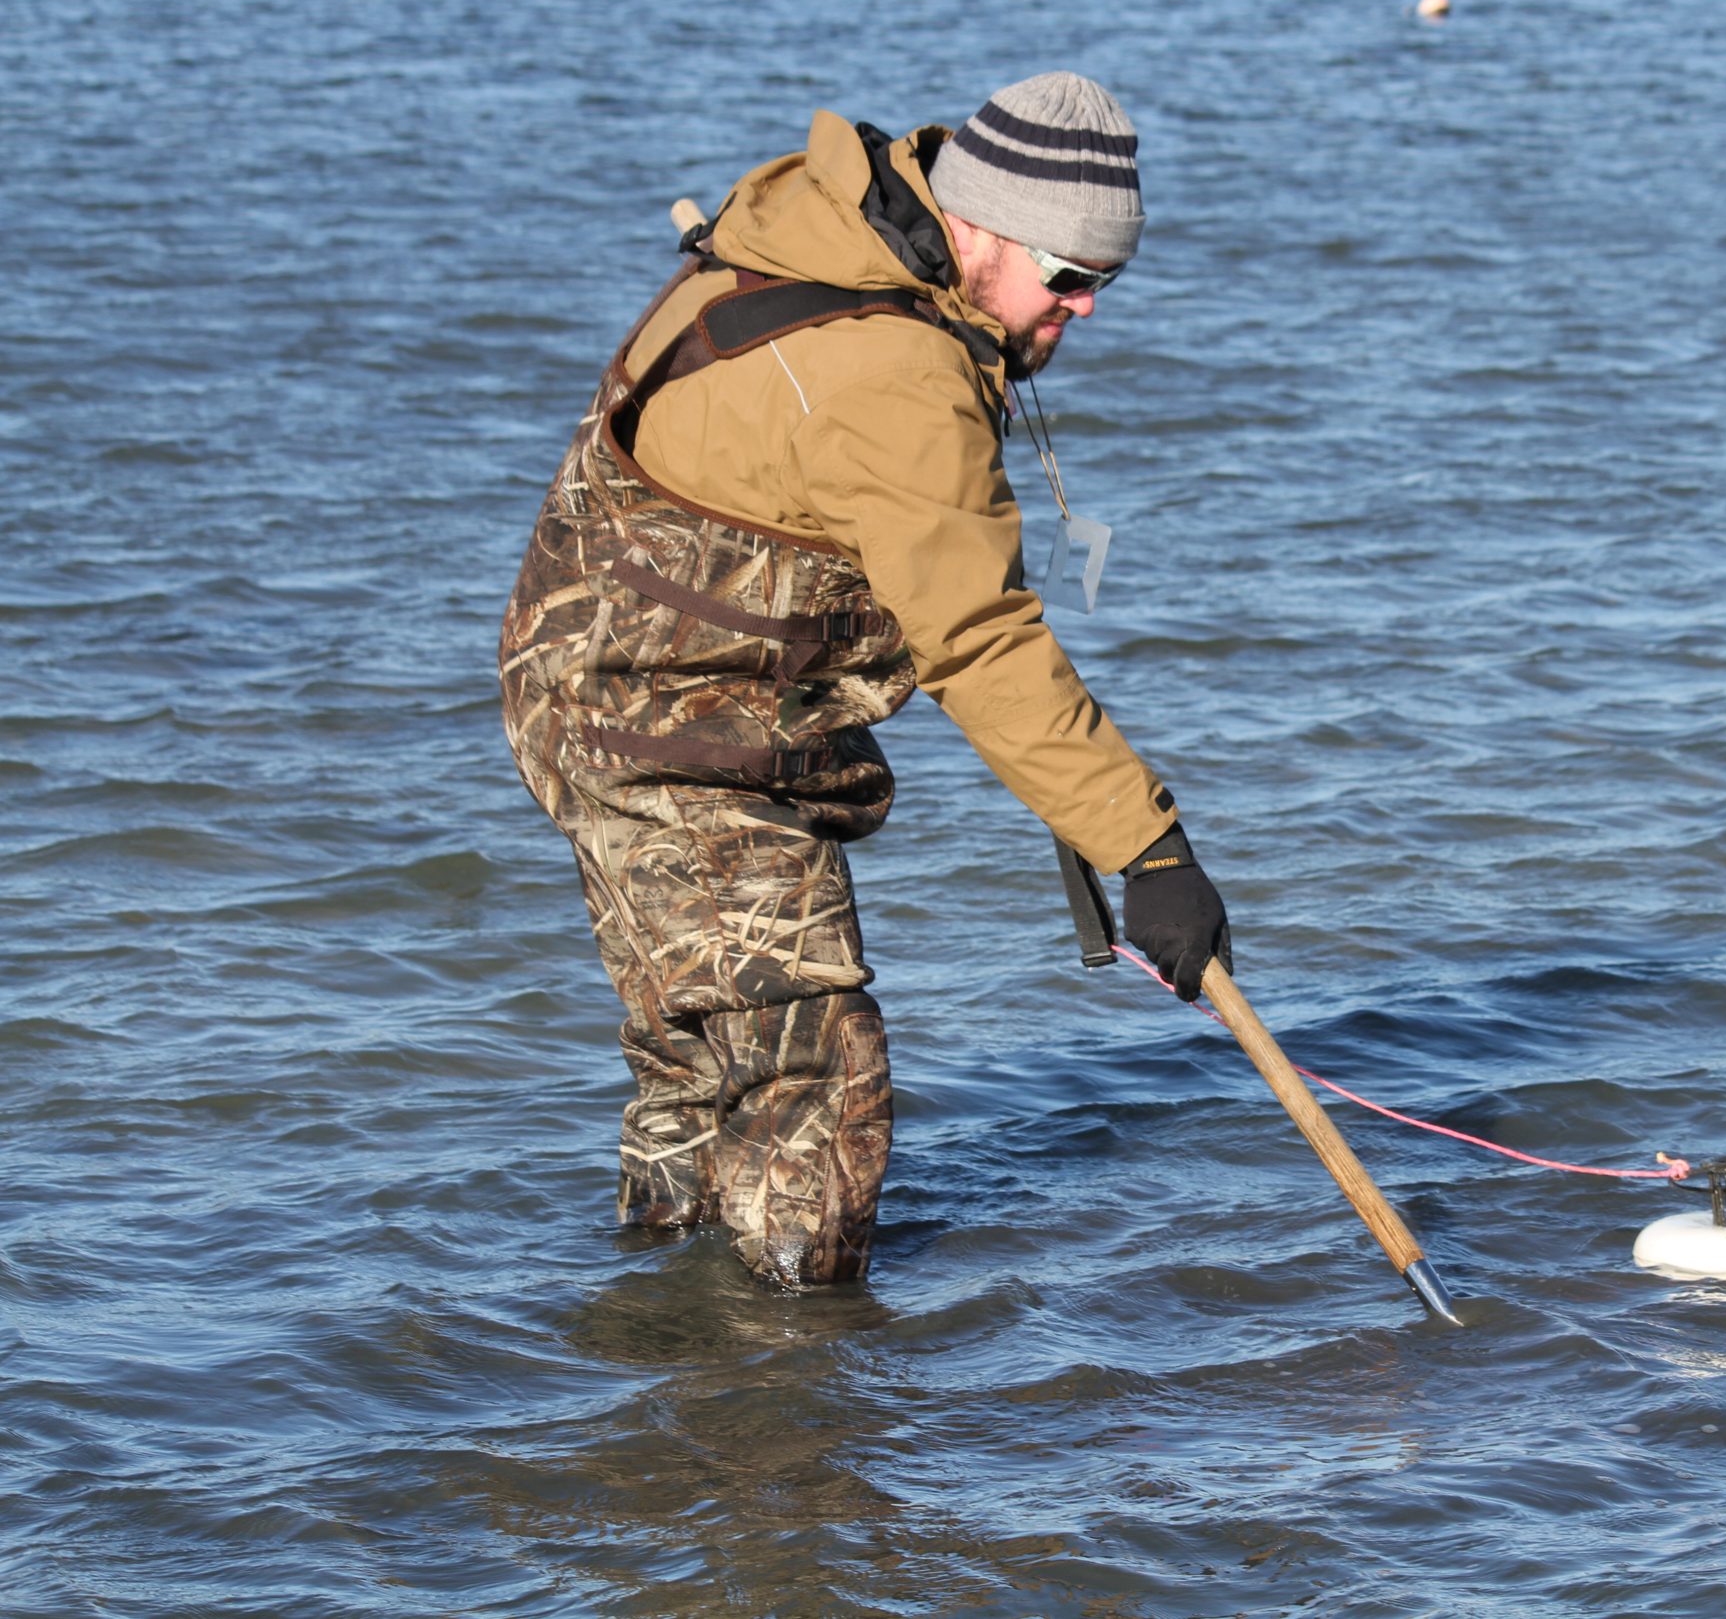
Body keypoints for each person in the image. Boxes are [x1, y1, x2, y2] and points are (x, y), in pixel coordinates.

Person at [498, 73, 1229, 1289]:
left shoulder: (844, 238)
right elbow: (978, 642)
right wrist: (1148, 853)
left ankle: (661, 1388)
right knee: (811, 1081)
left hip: (604, 696)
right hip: (672, 734)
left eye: (1108, 281)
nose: (1087, 309)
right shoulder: (890, 371)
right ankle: (798, 1439)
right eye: (1068, 276)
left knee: (703, 1067)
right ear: (981, 229)